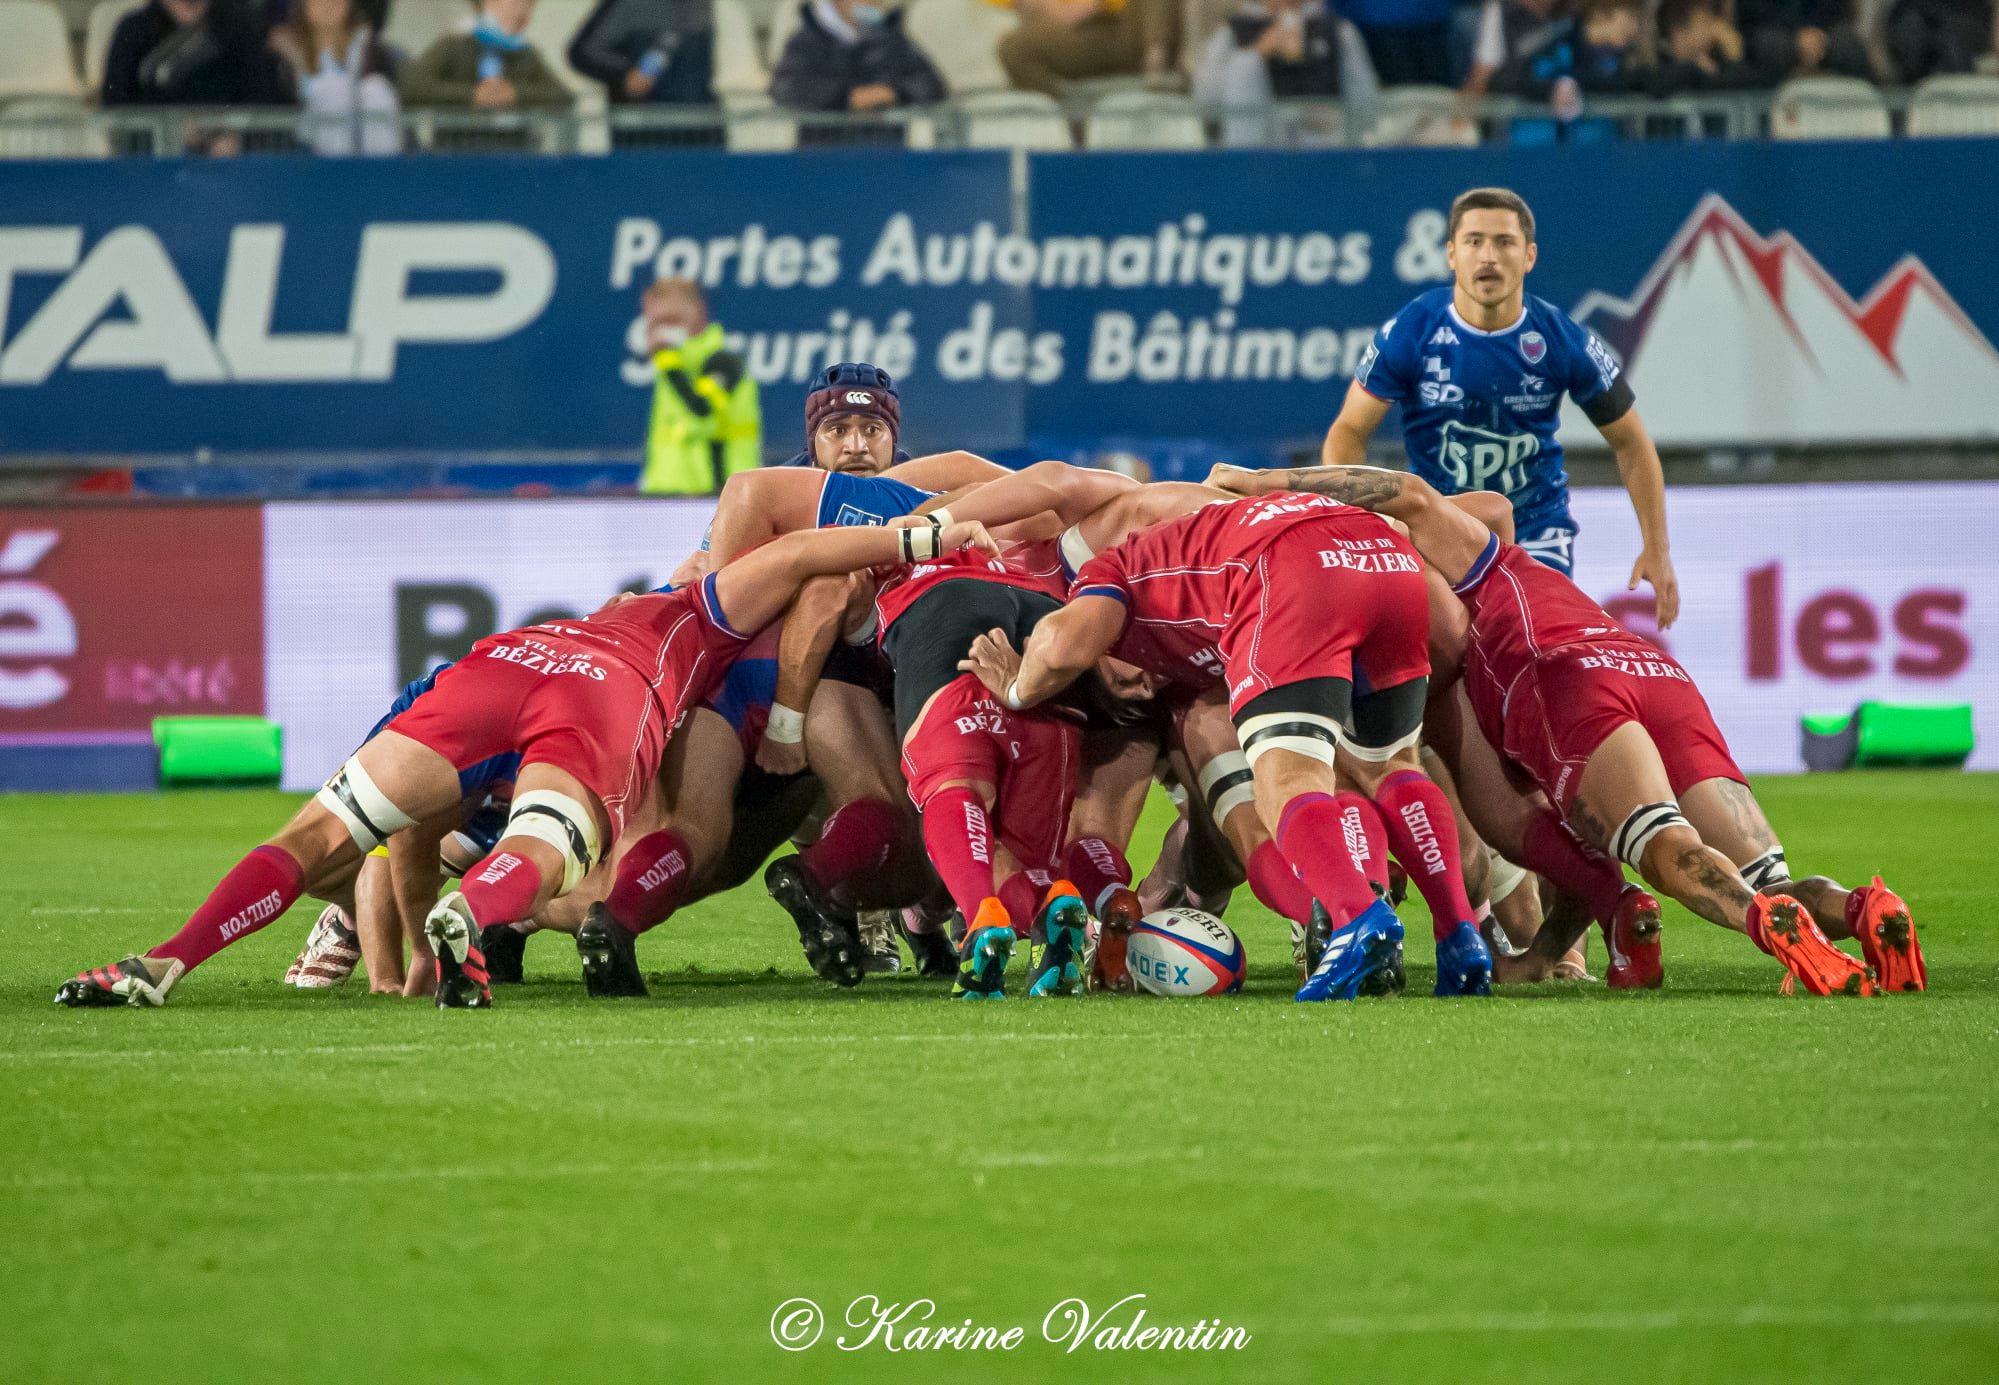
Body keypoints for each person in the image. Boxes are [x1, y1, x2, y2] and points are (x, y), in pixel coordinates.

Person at [55, 518, 999, 1010]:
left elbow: (405, 841)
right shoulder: (696, 619)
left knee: (320, 832)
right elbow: (801, 554)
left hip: (506, 658)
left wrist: (407, 963)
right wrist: (923, 539)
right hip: (603, 695)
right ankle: (480, 911)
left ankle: (166, 960)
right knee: (549, 850)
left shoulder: (598, 608)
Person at [1207, 461, 1929, 997]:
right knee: (1760, 868)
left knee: (1659, 845)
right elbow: (1573, 856)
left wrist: (1268, 482)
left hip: (1566, 681)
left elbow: (1411, 497)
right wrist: (1541, 950)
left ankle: (1768, 926)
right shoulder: (1502, 562)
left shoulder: (1436, 601)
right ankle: (1864, 907)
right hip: (1654, 671)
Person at [930, 464, 1495, 1000]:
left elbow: (1061, 643)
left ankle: (1359, 919)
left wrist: (1017, 688)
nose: (1140, 688)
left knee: (1287, 783)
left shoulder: (1110, 561)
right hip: (1382, 561)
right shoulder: (1184, 647)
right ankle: (1458, 934)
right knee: (1389, 768)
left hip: (1290, 574)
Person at [1333, 186, 1679, 627]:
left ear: (1529, 255)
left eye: (1504, 242)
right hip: (1440, 527)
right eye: (1474, 242)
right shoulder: (1411, 331)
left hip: (1536, 531)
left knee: (1534, 654)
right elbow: (1348, 432)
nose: (1489, 256)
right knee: (1445, 662)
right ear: (1452, 254)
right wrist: (1354, 525)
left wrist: (1658, 549)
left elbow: (1631, 443)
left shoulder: (1562, 339)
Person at [636, 278, 763, 496]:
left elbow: (701, 409)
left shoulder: (723, 360)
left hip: (717, 497)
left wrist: (668, 363)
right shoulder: (675, 364)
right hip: (662, 496)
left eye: (671, 320)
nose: (663, 331)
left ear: (699, 311)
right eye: (656, 323)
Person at [1192, 0, 1341, 146]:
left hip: (1321, 154)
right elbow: (1205, 100)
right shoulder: (1230, 34)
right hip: (1252, 154)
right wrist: (1257, 53)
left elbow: (1360, 108)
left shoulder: (1337, 33)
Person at [770, 0, 948, 115]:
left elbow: (932, 86)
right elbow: (787, 88)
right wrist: (846, 97)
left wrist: (895, 93)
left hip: (886, 159)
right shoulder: (807, 42)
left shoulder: (890, 39)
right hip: (823, 159)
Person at [270, 0, 402, 155]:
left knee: (376, 89)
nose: (329, 4)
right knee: (334, 96)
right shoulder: (284, 53)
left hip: (365, 145)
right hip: (308, 147)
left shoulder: (369, 48)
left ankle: (381, 170)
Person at [102, 0, 292, 107]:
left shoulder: (243, 26)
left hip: (233, 169)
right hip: (153, 168)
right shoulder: (134, 30)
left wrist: (238, 138)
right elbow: (115, 103)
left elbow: (266, 97)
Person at [397, 0, 576, 112]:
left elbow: (563, 96)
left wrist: (515, 94)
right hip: (456, 154)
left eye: (530, 4)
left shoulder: (525, 54)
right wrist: (471, 95)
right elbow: (411, 87)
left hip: (516, 155)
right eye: (516, 2)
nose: (523, 11)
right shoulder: (453, 45)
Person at [994, 0, 1180, 97]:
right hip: (1072, 36)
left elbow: (1090, 8)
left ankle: (1156, 65)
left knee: (1014, 48)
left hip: (1115, 30)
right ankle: (1067, 101)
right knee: (1012, 48)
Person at [567, 0, 717, 106]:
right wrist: (625, 74)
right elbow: (583, 52)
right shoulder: (629, 5)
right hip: (643, 131)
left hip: (700, 130)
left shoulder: (700, 7)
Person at [1734, 0, 1874, 81]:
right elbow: (1750, 22)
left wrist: (1817, 38)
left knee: (1849, 48)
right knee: (1765, 45)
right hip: (1769, 43)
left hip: (1826, 39)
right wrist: (1795, 42)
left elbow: (1839, 14)